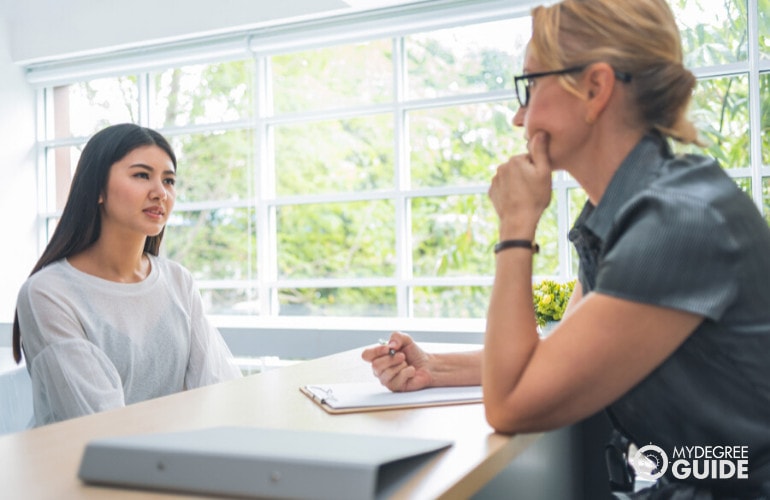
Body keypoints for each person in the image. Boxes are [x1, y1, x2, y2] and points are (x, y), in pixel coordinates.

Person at [362, 0, 770, 497]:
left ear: (595, 89)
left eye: (530, 86)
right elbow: (558, 357)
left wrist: (516, 226)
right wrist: (434, 367)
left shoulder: (676, 224)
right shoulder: (630, 214)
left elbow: (513, 403)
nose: (519, 117)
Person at [12, 123, 242, 427]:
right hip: (78, 467)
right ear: (97, 190)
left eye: (169, 180)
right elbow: (98, 420)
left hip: (175, 462)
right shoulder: (48, 293)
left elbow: (216, 389)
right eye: (142, 175)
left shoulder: (178, 281)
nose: (160, 193)